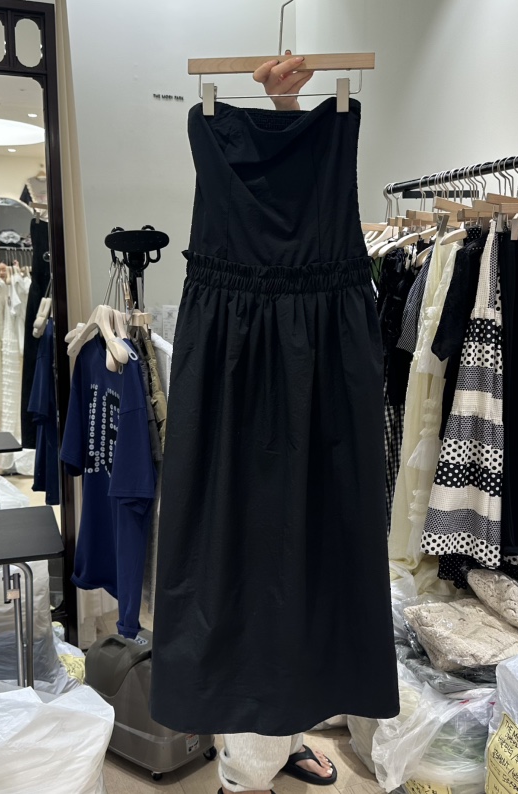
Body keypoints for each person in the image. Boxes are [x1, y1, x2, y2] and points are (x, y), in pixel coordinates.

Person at [216, 52, 338, 794]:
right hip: (239, 358)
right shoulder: (210, 131)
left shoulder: (333, 134)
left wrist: (286, 105)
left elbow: (293, 187)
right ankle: (246, 764)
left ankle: (286, 732)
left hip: (322, 358)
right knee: (248, 554)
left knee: (310, 552)